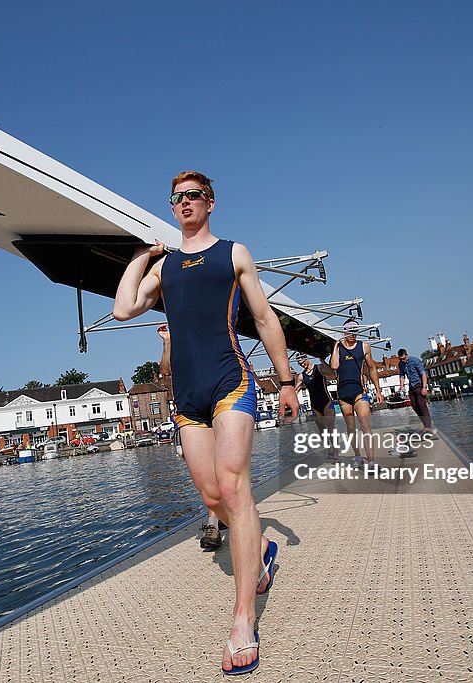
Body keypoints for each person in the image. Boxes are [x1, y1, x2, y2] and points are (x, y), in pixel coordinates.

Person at [114, 170, 298, 675]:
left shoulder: (233, 253)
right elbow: (124, 306)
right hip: (187, 398)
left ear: (210, 203)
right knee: (212, 496)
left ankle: (242, 618)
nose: (184, 203)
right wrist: (143, 257)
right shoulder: (166, 266)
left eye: (193, 195)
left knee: (234, 491)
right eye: (176, 198)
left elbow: (263, 318)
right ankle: (260, 546)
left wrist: (286, 382)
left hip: (230, 381)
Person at [159, 323, 225, 550]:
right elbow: (166, 371)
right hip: (189, 410)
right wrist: (167, 342)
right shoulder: (177, 343)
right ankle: (216, 519)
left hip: (219, 404)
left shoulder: (210, 333)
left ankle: (217, 519)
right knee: (203, 472)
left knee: (224, 467)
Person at [330, 323, 385, 469]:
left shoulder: (364, 346)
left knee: (365, 424)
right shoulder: (338, 347)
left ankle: (371, 461)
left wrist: (378, 391)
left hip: (359, 391)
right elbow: (334, 366)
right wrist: (335, 347)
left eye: (356, 332)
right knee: (350, 427)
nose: (353, 335)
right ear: (344, 332)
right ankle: (358, 457)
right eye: (350, 332)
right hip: (342, 394)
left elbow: (372, 368)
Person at [294, 353, 338, 459]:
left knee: (331, 428)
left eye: (303, 362)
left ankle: (336, 452)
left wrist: (322, 360)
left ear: (307, 359)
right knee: (322, 430)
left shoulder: (319, 368)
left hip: (326, 402)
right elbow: (296, 390)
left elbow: (332, 373)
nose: (302, 365)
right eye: (300, 364)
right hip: (315, 405)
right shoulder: (301, 376)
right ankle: (329, 448)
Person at [397, 348, 435, 434]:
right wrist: (401, 386)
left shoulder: (415, 361)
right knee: (415, 406)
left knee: (421, 404)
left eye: (403, 358)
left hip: (419, 385)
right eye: (400, 359)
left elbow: (423, 374)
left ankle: (428, 427)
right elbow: (402, 376)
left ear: (407, 355)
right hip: (411, 386)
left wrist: (424, 387)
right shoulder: (401, 364)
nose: (402, 360)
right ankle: (425, 424)